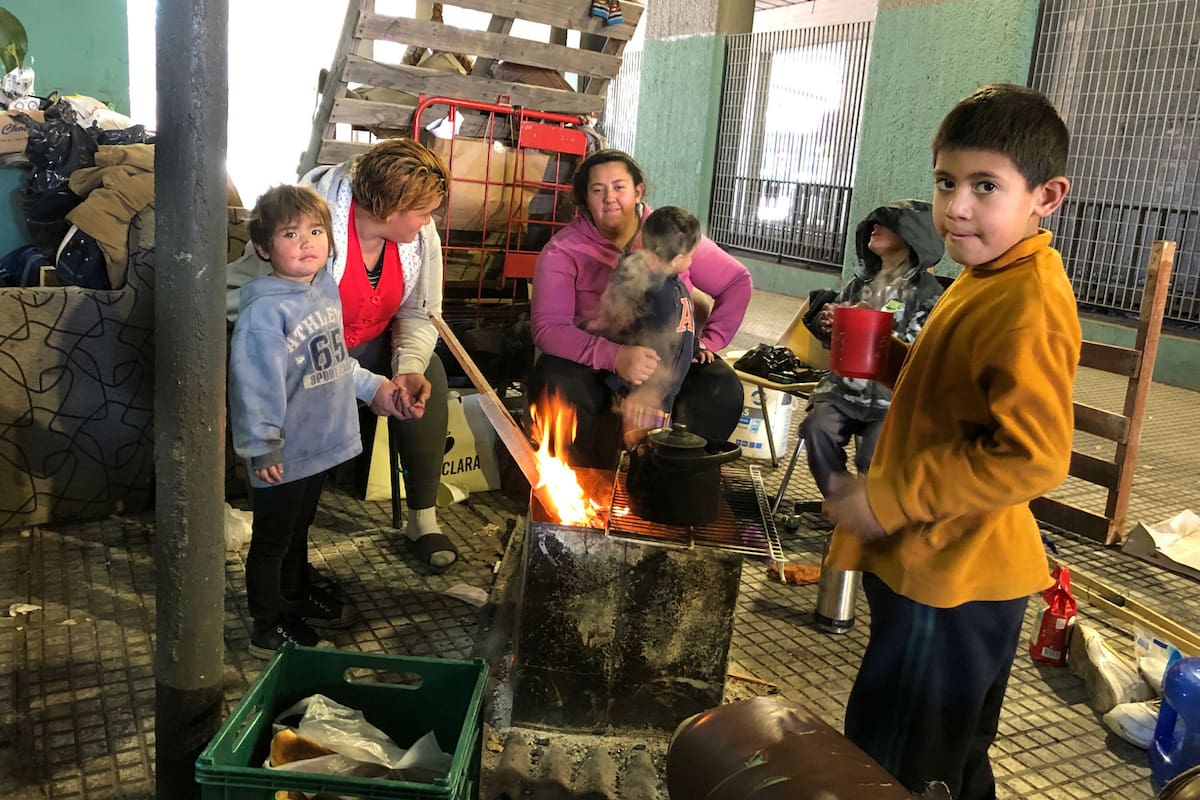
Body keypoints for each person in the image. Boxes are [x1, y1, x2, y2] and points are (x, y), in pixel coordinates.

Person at [822, 83, 1080, 800]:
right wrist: (890, 363)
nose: (956, 206)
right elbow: (962, 398)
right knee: (947, 758)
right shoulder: (985, 275)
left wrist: (893, 496)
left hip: (953, 581)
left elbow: (1032, 455)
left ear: (1045, 196)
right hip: (936, 566)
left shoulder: (1026, 303)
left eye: (984, 186)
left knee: (898, 764)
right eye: (945, 181)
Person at [229, 137, 457, 572]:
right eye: (423, 211)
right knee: (289, 412)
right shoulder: (310, 233)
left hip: (361, 345)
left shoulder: (420, 237)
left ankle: (422, 519)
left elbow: (420, 311)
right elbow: (291, 330)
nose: (430, 221)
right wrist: (366, 384)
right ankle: (280, 558)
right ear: (389, 212)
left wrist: (406, 368)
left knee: (429, 373)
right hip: (302, 350)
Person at [229, 185, 400, 657]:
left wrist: (371, 388)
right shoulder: (265, 312)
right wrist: (262, 444)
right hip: (281, 455)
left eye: (315, 230)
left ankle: (296, 594)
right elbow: (254, 385)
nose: (307, 242)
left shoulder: (321, 288)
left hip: (318, 445)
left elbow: (334, 360)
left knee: (299, 528)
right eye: (290, 233)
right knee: (271, 542)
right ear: (264, 248)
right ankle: (267, 626)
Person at [529, 150, 751, 468]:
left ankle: (671, 478)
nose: (609, 198)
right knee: (554, 380)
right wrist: (615, 357)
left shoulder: (670, 233)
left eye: (619, 187)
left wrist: (708, 343)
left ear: (638, 191)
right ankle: (589, 489)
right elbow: (547, 329)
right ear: (584, 200)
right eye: (597, 190)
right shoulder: (563, 251)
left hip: (668, 359)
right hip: (596, 361)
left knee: (720, 388)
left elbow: (737, 282)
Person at [799, 200, 944, 498]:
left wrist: (869, 324)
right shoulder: (861, 282)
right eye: (872, 223)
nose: (873, 228)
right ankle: (841, 504)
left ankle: (872, 510)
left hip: (889, 400)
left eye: (885, 224)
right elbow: (836, 342)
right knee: (816, 427)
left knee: (873, 458)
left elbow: (920, 350)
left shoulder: (929, 294)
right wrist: (829, 325)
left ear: (910, 237)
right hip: (843, 390)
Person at [591, 205, 705, 434]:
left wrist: (695, 348)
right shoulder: (646, 287)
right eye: (691, 256)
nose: (692, 261)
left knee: (654, 445)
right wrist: (633, 390)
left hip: (664, 392)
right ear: (678, 258)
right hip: (642, 394)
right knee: (636, 449)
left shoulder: (676, 285)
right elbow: (624, 331)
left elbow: (681, 330)